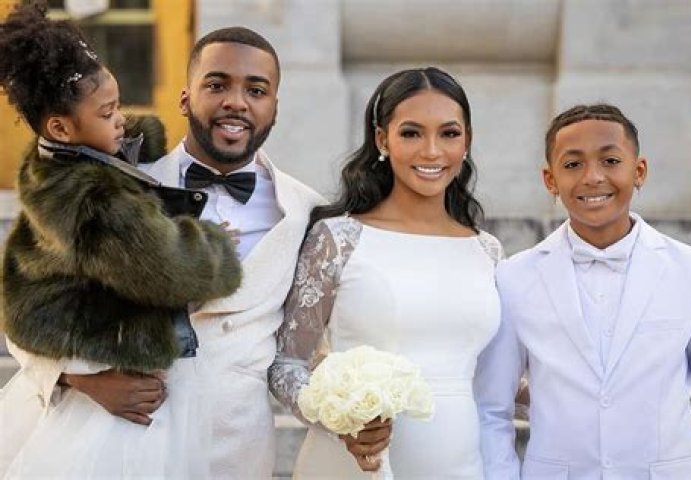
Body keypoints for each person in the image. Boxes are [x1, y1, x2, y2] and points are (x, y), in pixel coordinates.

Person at [3, 23, 326, 478]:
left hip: (235, 451)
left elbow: (303, 352)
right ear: (184, 98)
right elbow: (27, 307)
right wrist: (79, 378)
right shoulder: (113, 186)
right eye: (216, 85)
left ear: (274, 107)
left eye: (256, 90)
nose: (236, 101)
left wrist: (343, 412)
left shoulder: (307, 211)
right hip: (123, 444)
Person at [269, 67, 504, 478]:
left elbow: (496, 377)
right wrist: (340, 419)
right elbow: (287, 364)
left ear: (466, 141)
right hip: (352, 466)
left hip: (461, 465)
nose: (432, 151)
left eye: (449, 133)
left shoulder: (487, 250)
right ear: (382, 139)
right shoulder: (338, 239)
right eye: (411, 133)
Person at [475, 104, 691, 479]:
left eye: (610, 161)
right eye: (573, 164)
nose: (593, 177)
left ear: (639, 172)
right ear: (550, 180)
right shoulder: (514, 278)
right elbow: (492, 409)